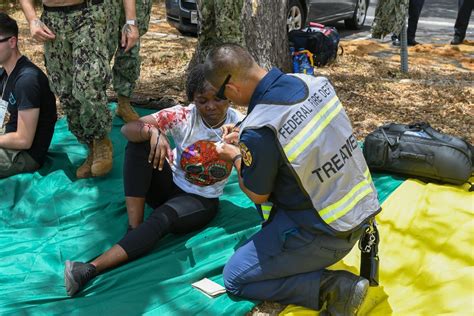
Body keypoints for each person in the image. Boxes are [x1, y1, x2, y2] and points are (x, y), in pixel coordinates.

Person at [204, 44, 381, 315]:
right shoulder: (312, 82)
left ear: (231, 89)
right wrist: (246, 137)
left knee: (235, 277)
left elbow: (256, 194)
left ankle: (333, 287)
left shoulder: (260, 129)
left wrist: (236, 157)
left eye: (220, 95)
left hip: (325, 234)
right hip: (360, 212)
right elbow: (298, 136)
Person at [63, 64, 243, 296]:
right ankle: (134, 229)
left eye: (218, 99)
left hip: (200, 200)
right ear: (193, 100)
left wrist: (239, 145)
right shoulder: (184, 116)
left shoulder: (241, 124)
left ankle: (89, 269)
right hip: (168, 185)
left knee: (163, 218)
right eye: (202, 100)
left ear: (229, 97)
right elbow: (128, 128)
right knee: (139, 142)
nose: (210, 106)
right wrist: (152, 132)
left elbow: (256, 174)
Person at [19, 0, 139, 179]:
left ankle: (101, 141)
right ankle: (90, 146)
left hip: (88, 15)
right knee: (65, 90)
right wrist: (32, 19)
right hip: (52, 21)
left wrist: (130, 22)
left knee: (88, 83)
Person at [0, 13, 57, 179]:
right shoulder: (6, 72)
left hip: (25, 156)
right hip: (8, 141)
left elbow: (24, 140)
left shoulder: (27, 81)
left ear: (12, 42)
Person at [107, 0, 150, 122]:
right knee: (99, 54)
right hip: (103, 7)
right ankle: (94, 106)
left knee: (129, 51)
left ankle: (124, 103)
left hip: (137, 5)